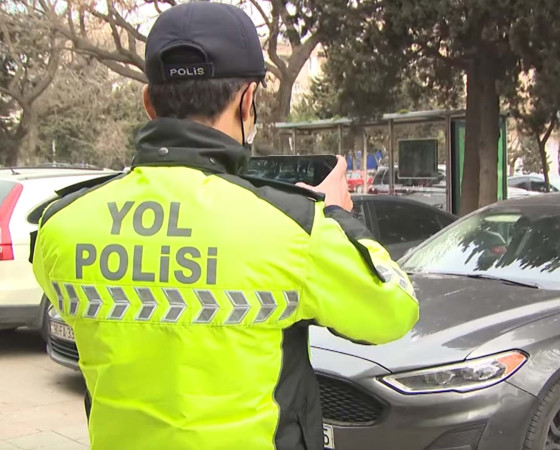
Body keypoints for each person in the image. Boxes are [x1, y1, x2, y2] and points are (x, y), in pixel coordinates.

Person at [30, 3, 419, 449]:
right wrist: (333, 213)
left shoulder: (62, 224)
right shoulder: (294, 229)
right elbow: (394, 312)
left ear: (148, 102)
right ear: (248, 99)